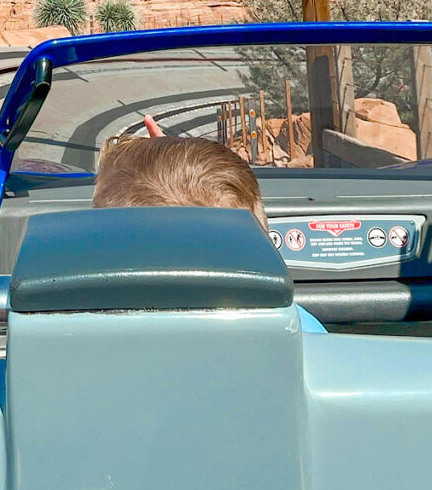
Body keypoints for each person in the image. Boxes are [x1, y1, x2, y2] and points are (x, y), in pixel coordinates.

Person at [92, 115, 326, 333]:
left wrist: (164, 169)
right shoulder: (302, 329)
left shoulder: (87, 337)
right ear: (265, 241)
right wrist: (180, 166)